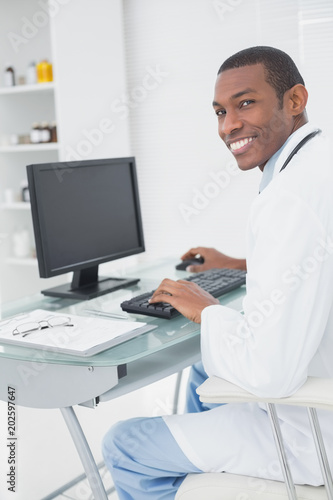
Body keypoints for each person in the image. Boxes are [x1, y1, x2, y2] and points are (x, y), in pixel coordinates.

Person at [102, 46, 333, 499]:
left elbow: (272, 374)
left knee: (123, 444)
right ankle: (203, 465)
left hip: (310, 429)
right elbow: (315, 261)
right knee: (203, 370)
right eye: (220, 112)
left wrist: (207, 311)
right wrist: (237, 266)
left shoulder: (289, 198)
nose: (228, 126)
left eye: (246, 103)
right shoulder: (317, 164)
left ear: (294, 100)